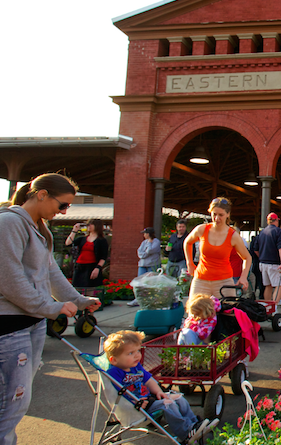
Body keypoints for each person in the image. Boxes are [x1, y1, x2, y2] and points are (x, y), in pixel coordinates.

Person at [0, 173, 101, 444]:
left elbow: (51, 273)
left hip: (31, 322)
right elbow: (9, 280)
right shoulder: (9, 223)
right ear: (42, 194)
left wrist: (79, 301)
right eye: (62, 205)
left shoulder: (39, 227)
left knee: (18, 401)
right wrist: (49, 306)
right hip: (9, 325)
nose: (64, 212)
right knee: (10, 402)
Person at [103, 331, 212, 443]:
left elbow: (149, 380)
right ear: (114, 360)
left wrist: (159, 391)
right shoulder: (113, 373)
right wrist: (135, 402)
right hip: (137, 406)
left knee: (178, 398)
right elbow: (117, 394)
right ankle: (186, 433)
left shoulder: (135, 366)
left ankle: (195, 425)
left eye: (137, 351)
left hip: (149, 399)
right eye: (130, 353)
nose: (137, 355)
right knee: (168, 405)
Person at [184, 198, 251, 300]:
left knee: (227, 313)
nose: (216, 218)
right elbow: (187, 242)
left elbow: (247, 257)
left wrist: (243, 276)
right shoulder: (201, 229)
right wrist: (190, 263)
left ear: (228, 214)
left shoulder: (233, 235)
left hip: (224, 281)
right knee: (195, 312)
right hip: (201, 279)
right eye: (214, 214)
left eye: (221, 215)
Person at [253, 212, 281, 302]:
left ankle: (267, 308)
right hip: (275, 264)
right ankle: (274, 308)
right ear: (276, 221)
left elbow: (255, 249)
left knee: (268, 286)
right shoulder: (279, 232)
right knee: (279, 286)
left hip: (263, 263)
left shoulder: (262, 232)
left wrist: (262, 257)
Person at [65, 218, 109, 287]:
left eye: (91, 224)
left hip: (91, 267)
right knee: (77, 287)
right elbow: (68, 243)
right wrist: (74, 231)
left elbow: (103, 256)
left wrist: (97, 268)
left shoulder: (101, 240)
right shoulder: (82, 239)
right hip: (79, 266)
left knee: (90, 288)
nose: (88, 226)